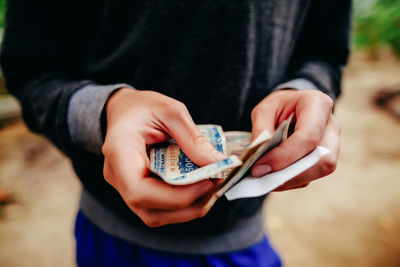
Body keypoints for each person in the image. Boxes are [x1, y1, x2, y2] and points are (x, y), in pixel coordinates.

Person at [1, 0, 351, 266]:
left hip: (242, 240)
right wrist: (105, 111)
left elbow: (324, 52)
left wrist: (305, 92)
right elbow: (31, 69)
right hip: (111, 241)